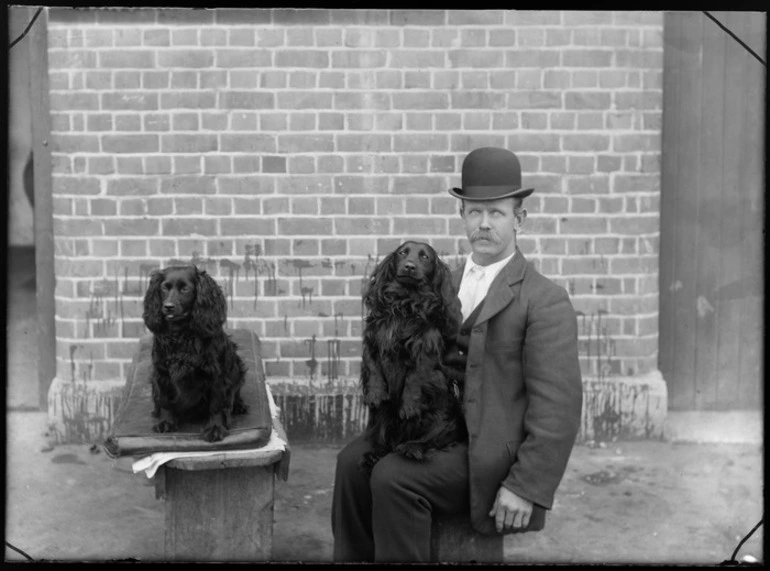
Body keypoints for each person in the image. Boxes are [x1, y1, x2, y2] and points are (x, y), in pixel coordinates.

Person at [331, 146, 583, 562]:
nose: (483, 224)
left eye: (497, 213)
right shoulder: (438, 282)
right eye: (474, 212)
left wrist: (525, 486)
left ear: (519, 218)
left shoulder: (545, 300)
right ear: (462, 214)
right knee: (350, 463)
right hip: (430, 430)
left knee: (394, 479)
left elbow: (559, 407)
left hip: (486, 452)